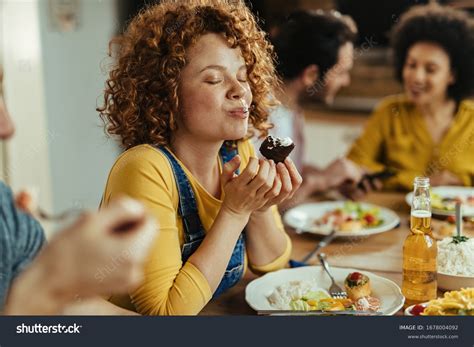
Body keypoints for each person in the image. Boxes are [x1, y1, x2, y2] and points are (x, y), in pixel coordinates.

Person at [98, 0, 302, 315]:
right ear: (168, 94)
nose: (239, 91)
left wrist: (259, 208)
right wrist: (234, 213)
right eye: (214, 79)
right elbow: (166, 314)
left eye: (243, 76)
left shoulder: (236, 151)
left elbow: (274, 268)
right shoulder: (144, 169)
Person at [0, 65, 157, 315]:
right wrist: (52, 280)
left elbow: (63, 314)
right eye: (213, 80)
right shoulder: (143, 166)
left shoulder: (7, 214)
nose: (7, 127)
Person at [346, 4, 474, 193]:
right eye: (411, 65)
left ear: (452, 75)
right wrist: (420, 181)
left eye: (430, 69)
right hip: (398, 218)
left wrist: (462, 181)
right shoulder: (389, 112)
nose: (417, 77)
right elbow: (354, 165)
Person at [256, 9, 363, 210]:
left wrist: (333, 180)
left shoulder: (291, 107)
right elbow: (261, 206)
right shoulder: (259, 117)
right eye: (341, 73)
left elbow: (288, 172)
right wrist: (319, 181)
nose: (346, 82)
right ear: (311, 75)